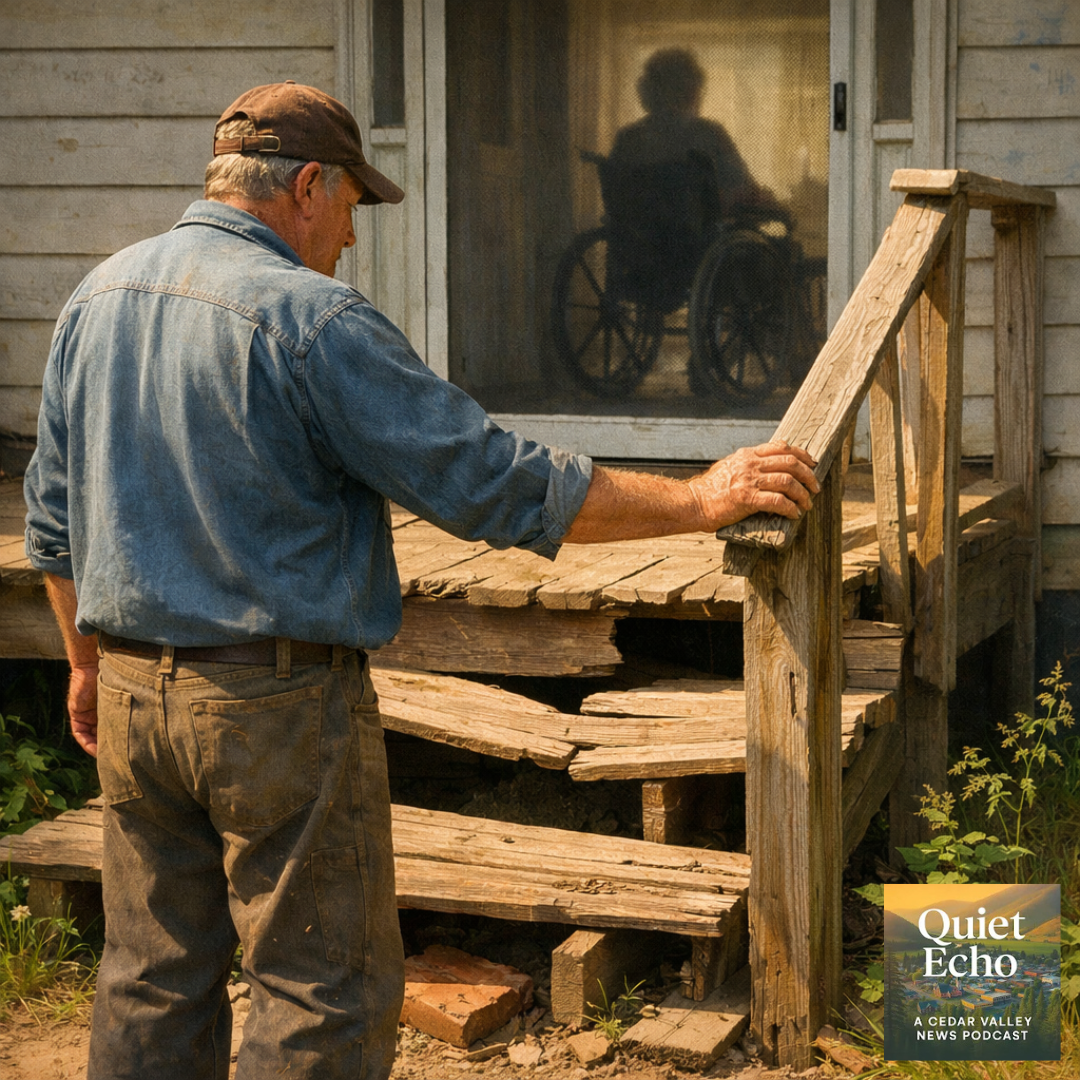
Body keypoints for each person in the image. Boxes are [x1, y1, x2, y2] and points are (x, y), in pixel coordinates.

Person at [23, 82, 818, 1080]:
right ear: (307, 187)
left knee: (150, 978)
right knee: (320, 990)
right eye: (353, 206)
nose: (352, 237)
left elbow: (51, 521)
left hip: (133, 692)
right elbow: (488, 481)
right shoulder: (312, 319)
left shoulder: (97, 297)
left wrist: (85, 665)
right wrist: (699, 500)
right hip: (273, 707)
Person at [608, 47, 779, 215]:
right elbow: (744, 191)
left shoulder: (627, 138)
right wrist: (761, 197)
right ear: (692, 90)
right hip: (698, 234)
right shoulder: (710, 134)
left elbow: (617, 203)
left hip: (637, 234)